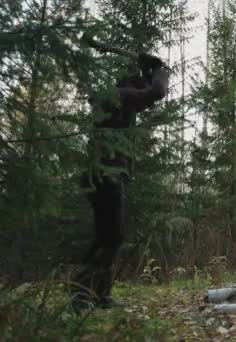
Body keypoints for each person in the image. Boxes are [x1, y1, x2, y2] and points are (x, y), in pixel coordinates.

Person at [71, 53, 169, 310]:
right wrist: (159, 68)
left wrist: (151, 72)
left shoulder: (120, 98)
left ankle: (98, 294)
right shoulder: (119, 95)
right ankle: (81, 293)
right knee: (110, 234)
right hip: (103, 173)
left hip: (108, 173)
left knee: (109, 234)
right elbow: (156, 92)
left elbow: (150, 92)